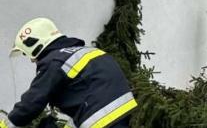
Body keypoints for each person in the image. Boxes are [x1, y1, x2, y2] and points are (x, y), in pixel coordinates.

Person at [0, 18, 136, 128]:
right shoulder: (88, 51)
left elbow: (32, 102)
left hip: (99, 119)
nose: (31, 60)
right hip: (124, 112)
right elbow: (84, 98)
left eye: (27, 53)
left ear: (36, 45)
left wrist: (6, 124)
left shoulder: (55, 61)